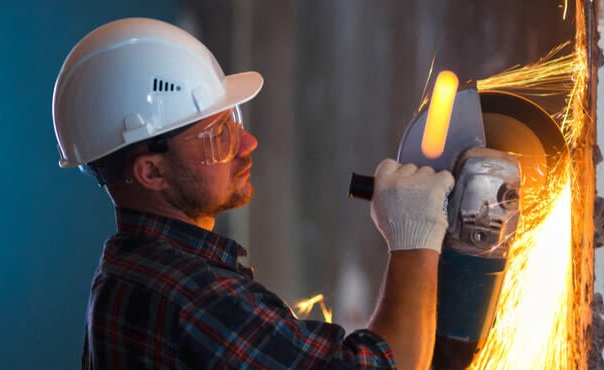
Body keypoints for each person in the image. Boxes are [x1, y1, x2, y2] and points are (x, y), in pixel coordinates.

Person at [53, 18, 454, 370]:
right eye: (218, 137)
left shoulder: (121, 273)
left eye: (234, 121)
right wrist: (413, 235)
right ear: (151, 171)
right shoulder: (197, 298)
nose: (247, 143)